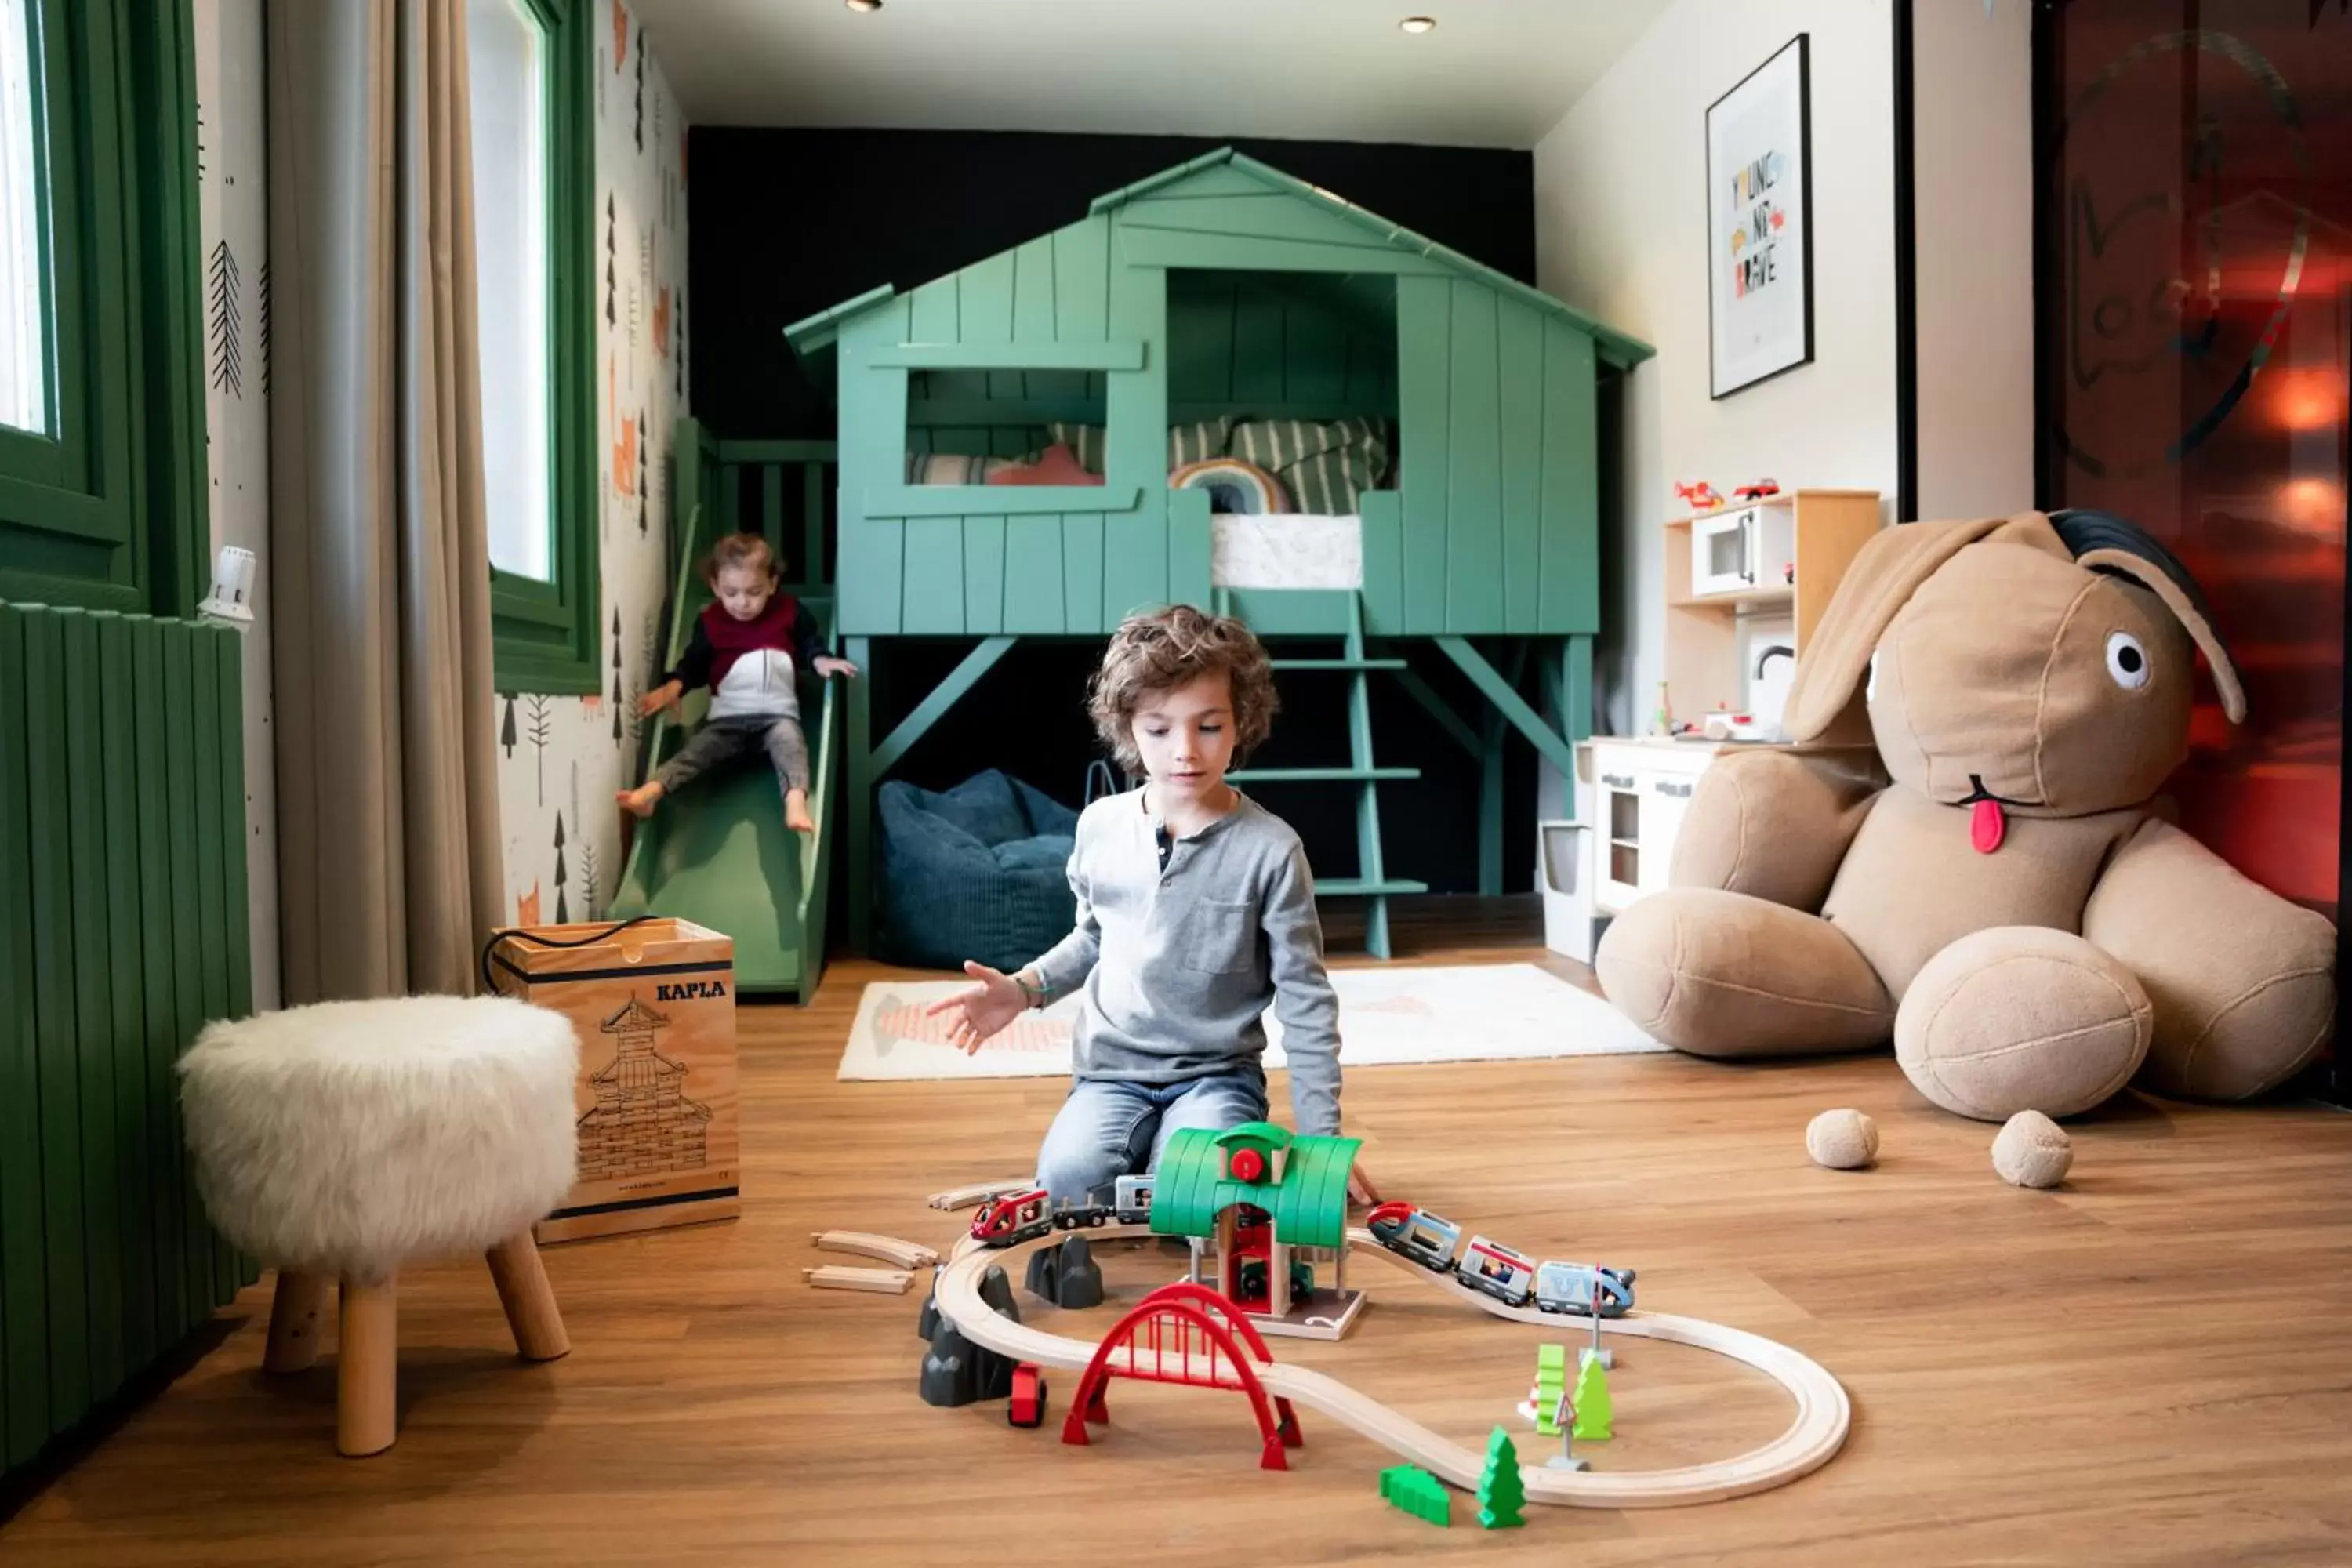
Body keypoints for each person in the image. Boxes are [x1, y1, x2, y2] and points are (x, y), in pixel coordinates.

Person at [924, 604, 1376, 1207]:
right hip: (1110, 1073)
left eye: (1208, 726)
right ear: (1128, 729)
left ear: (1241, 721)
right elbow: (1092, 938)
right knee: (1065, 1188)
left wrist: (1322, 1141)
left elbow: (1306, 1003)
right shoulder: (1100, 826)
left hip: (1217, 1077)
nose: (1185, 750)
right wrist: (1025, 988)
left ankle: (1200, 1158)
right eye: (1160, 730)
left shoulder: (1272, 850)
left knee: (1190, 1200)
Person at [617, 532, 857, 833]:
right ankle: (651, 792)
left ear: (772, 583)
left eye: (754, 591)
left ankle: (795, 804)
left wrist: (821, 660)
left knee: (791, 745)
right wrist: (672, 688)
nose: (742, 602)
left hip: (776, 716)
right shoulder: (711, 622)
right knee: (697, 750)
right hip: (729, 718)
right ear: (716, 587)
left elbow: (809, 643)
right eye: (731, 593)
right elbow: (695, 664)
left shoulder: (789, 612)